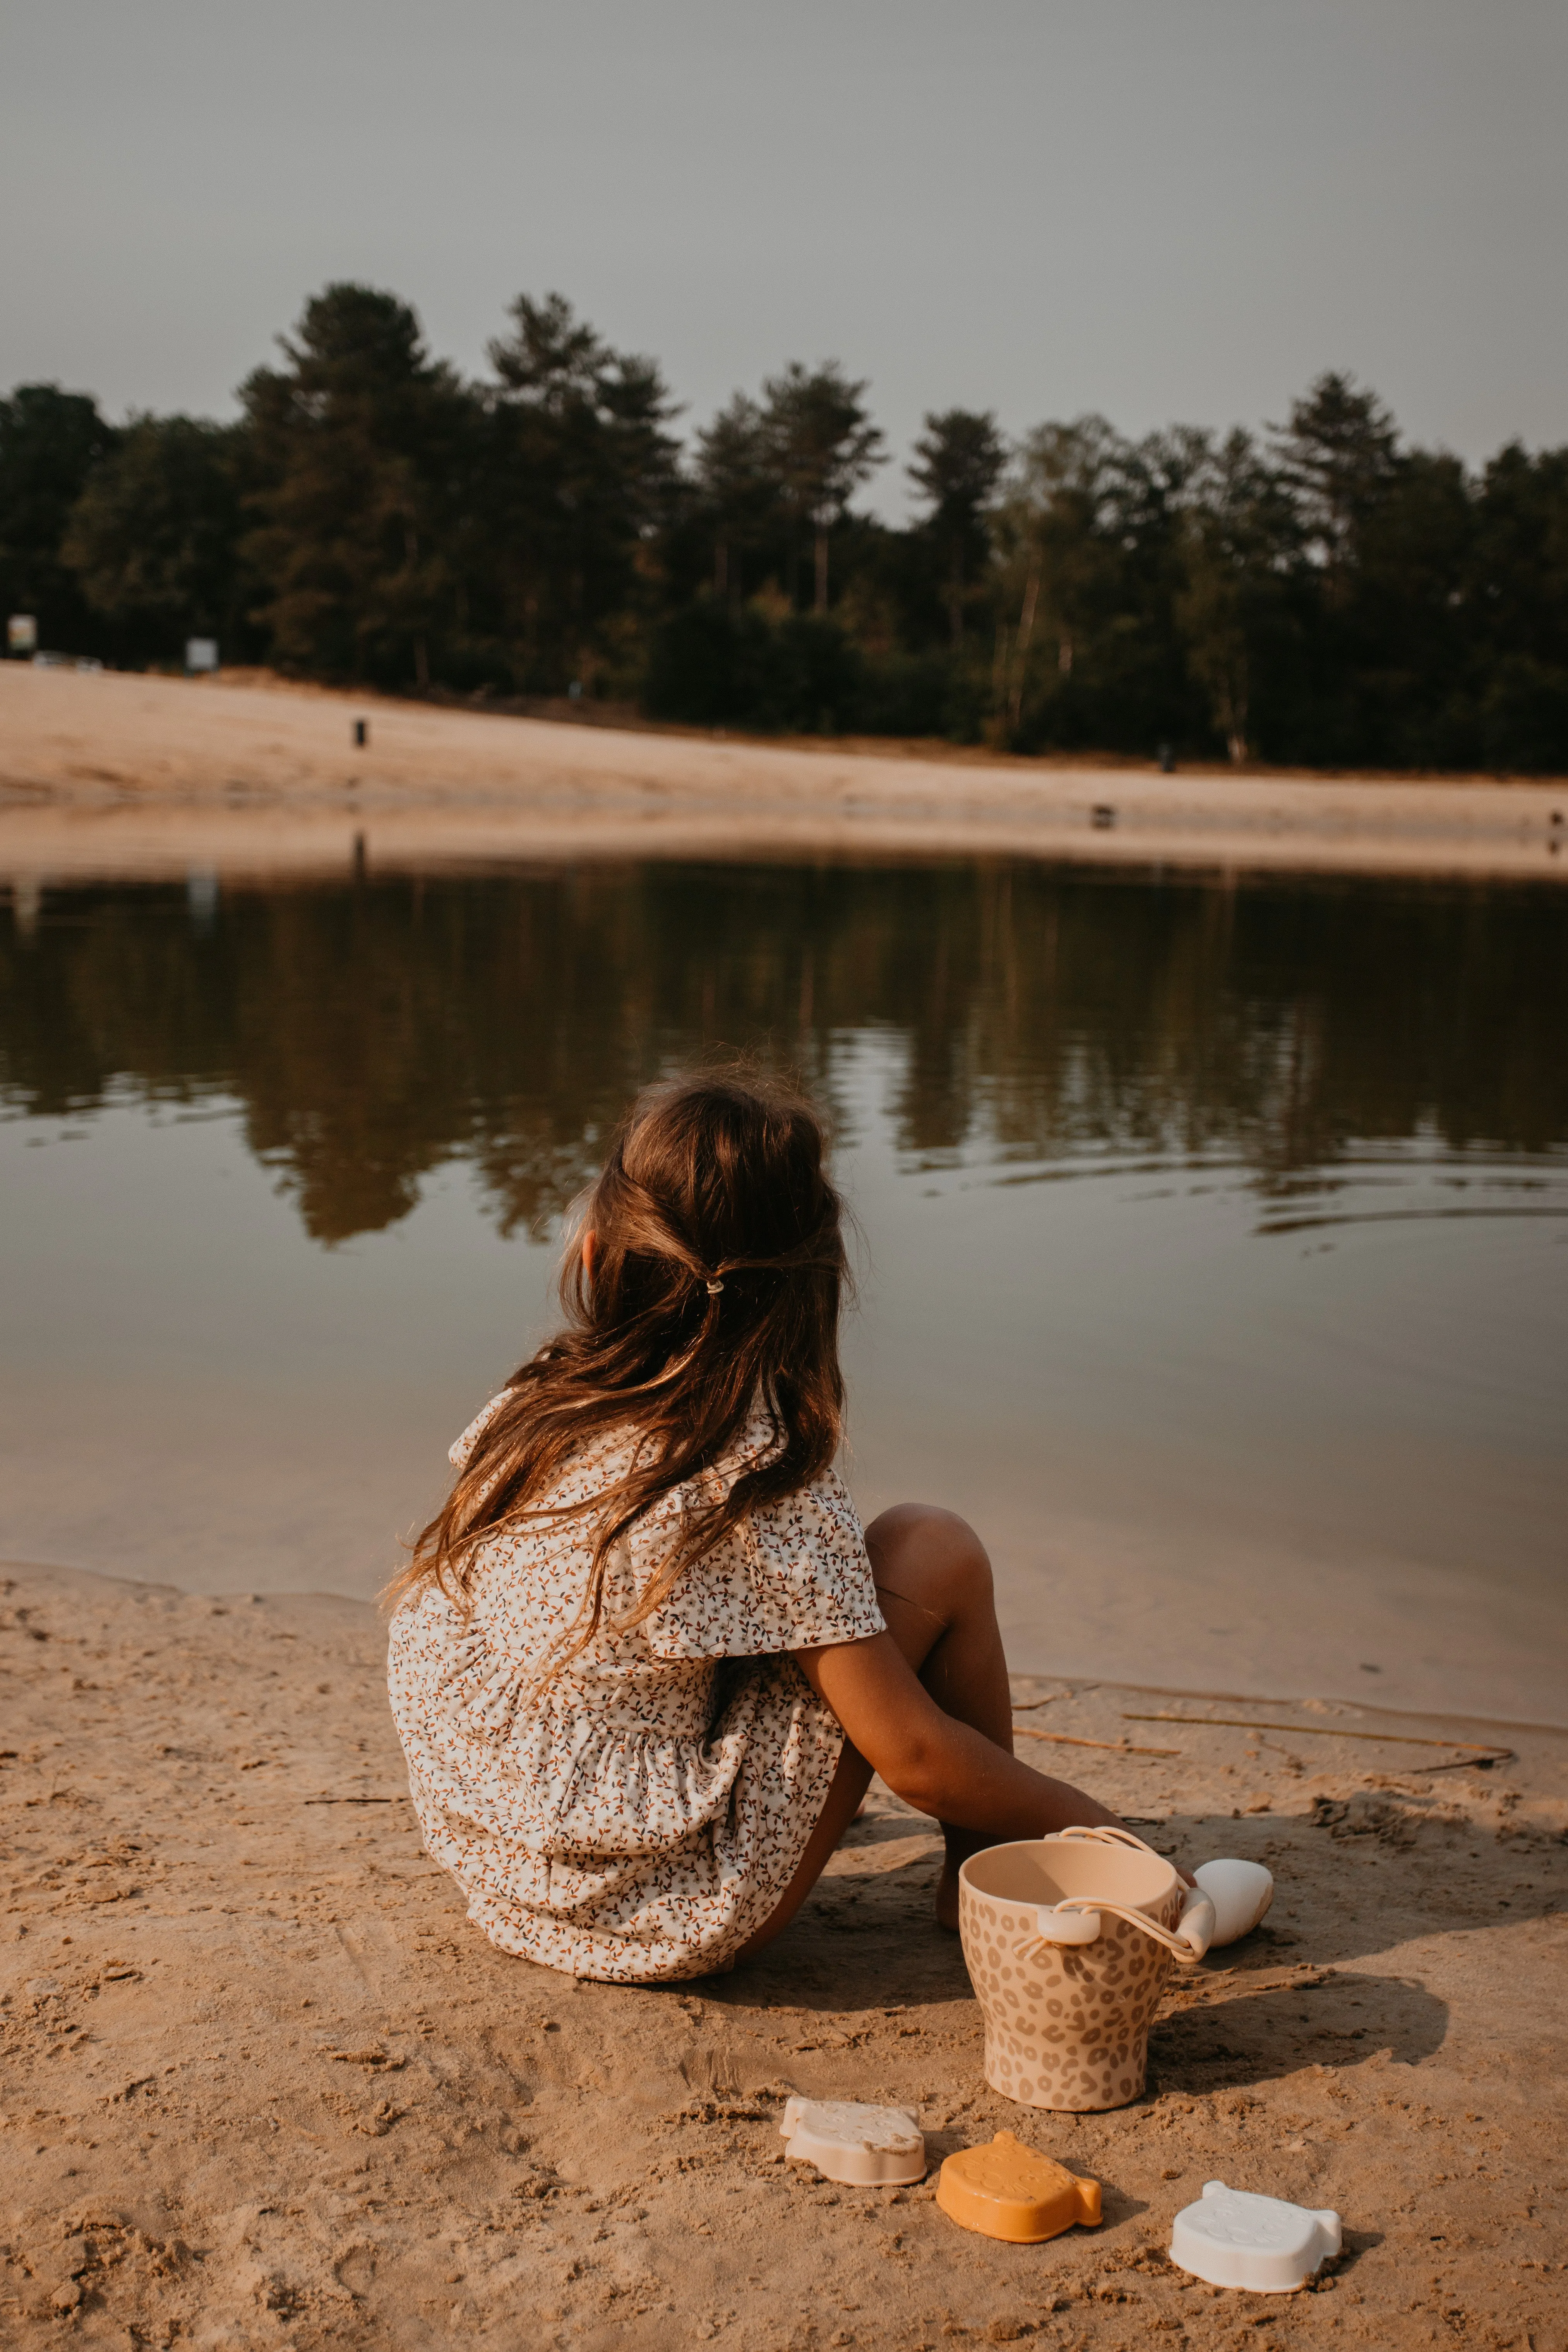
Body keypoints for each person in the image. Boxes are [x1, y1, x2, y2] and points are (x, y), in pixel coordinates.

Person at [387, 1071, 1138, 1985]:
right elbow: (917, 1761)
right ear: (808, 1291)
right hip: (665, 1915)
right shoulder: (763, 1487)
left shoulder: (538, 1403)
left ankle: (989, 1857)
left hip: (505, 1869)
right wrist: (1112, 1835)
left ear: (593, 1259)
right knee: (933, 1546)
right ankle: (988, 1862)